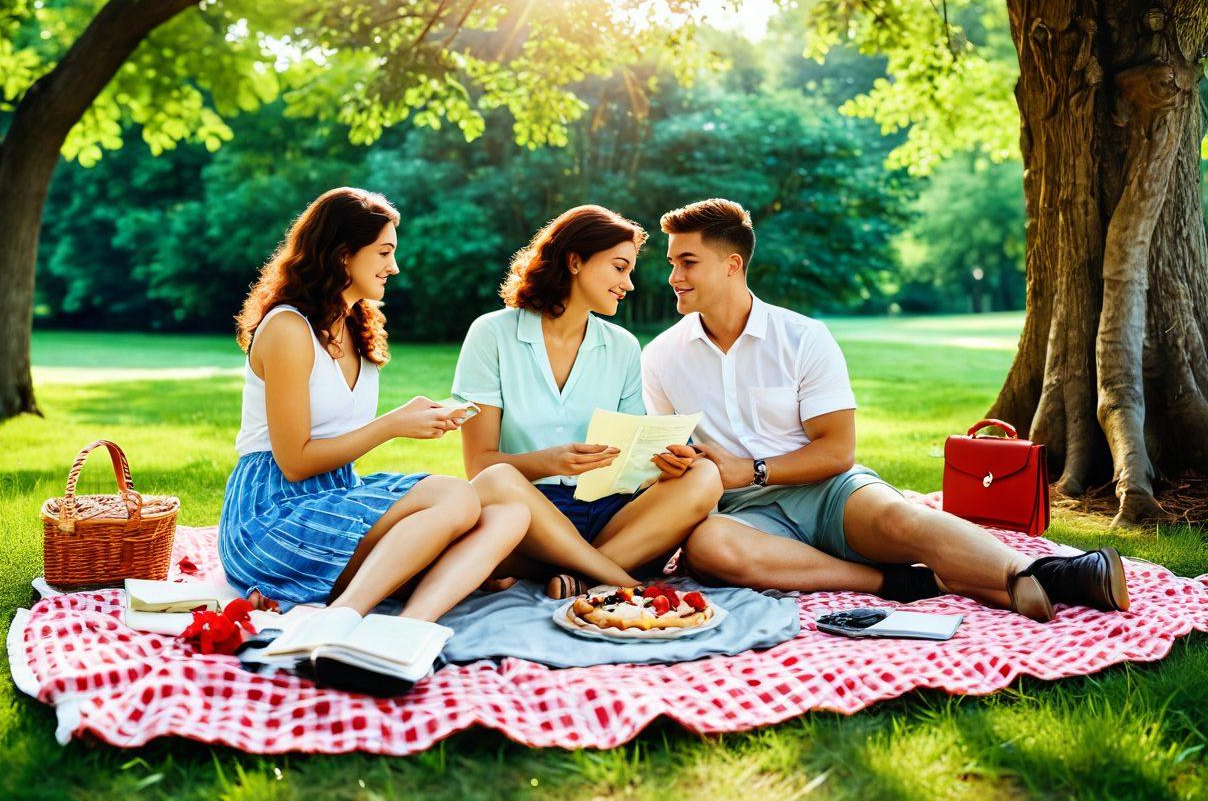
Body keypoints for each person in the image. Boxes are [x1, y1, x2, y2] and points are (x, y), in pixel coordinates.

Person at [641, 198, 1130, 621]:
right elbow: (663, 461)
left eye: (687, 262)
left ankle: (1052, 575)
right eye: (672, 263)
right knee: (708, 550)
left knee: (901, 519)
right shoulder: (661, 357)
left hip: (827, 492)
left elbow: (837, 451)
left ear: (732, 264)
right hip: (743, 518)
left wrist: (749, 470)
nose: (673, 277)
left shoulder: (802, 338)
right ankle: (894, 582)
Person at [219, 187, 530, 621]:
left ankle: (408, 625)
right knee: (456, 498)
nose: (394, 267)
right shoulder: (288, 329)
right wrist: (394, 424)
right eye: (384, 252)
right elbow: (294, 462)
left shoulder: (356, 325)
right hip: (274, 515)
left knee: (507, 514)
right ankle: (345, 614)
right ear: (344, 254)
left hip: (336, 496)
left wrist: (417, 413)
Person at [452, 205, 724, 598]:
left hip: (609, 514)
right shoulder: (492, 334)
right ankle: (616, 577)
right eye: (619, 268)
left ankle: (579, 577)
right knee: (496, 480)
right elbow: (479, 464)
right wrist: (551, 462)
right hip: (530, 517)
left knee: (705, 475)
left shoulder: (623, 346)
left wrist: (665, 462)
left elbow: (635, 463)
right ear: (575, 261)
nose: (628, 284)